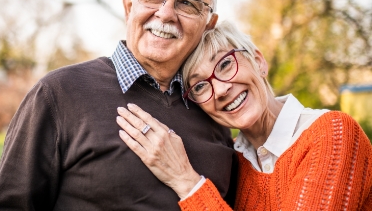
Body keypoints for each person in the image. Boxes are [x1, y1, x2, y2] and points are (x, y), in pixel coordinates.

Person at [0, 0, 238, 210]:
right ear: (129, 5)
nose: (165, 14)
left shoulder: (215, 111)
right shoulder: (59, 93)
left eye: (187, 3)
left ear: (208, 24)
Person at [117, 20, 372, 210]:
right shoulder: (233, 162)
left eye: (226, 64)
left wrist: (186, 181)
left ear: (259, 62)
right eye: (200, 86)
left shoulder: (334, 133)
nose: (221, 89)